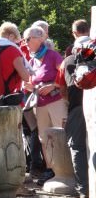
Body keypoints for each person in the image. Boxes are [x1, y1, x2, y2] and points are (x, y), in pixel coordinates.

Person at [22, 26, 67, 186]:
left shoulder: (52, 55)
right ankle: (50, 170)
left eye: (28, 39)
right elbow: (32, 82)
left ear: (40, 38)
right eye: (24, 39)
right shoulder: (31, 60)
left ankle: (66, 170)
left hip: (56, 101)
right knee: (44, 138)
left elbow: (66, 75)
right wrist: (29, 86)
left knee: (61, 134)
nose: (25, 42)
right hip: (39, 104)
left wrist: (54, 85)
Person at [55, 39, 89, 197]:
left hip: (77, 107)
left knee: (77, 147)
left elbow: (62, 90)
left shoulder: (67, 61)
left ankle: (84, 190)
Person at [0, 21, 30, 103]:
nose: (17, 45)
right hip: (8, 99)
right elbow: (26, 77)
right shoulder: (12, 50)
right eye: (16, 41)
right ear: (11, 36)